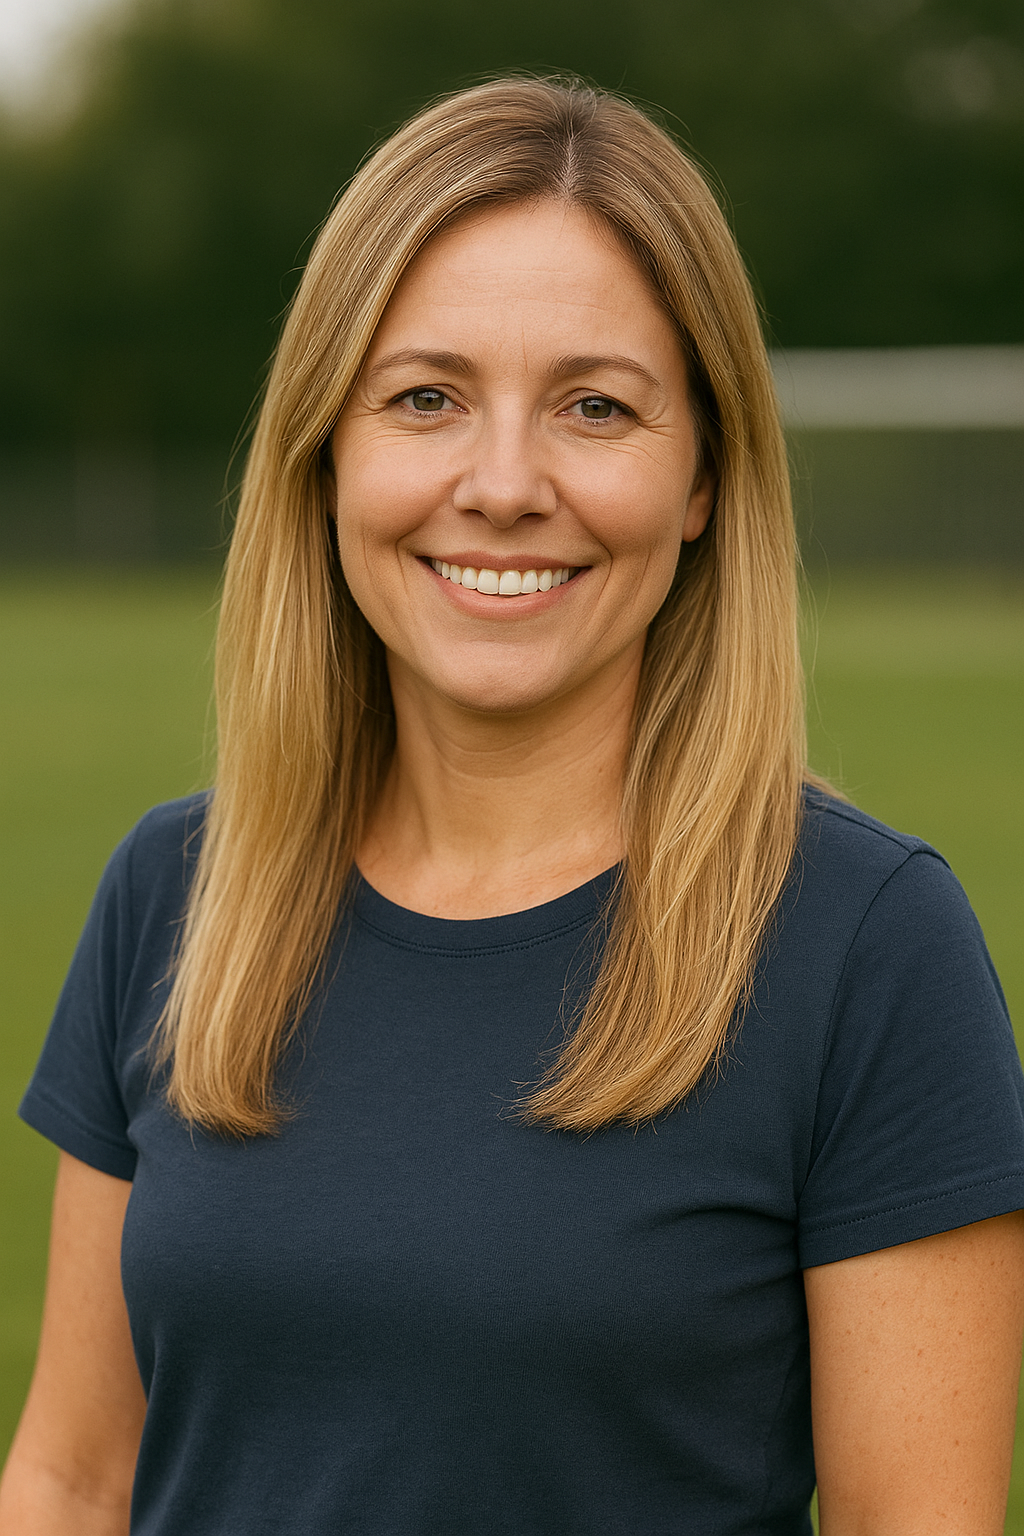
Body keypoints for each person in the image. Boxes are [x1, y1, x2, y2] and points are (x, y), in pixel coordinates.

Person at [2, 75, 1023, 1536]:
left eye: (594, 408)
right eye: (425, 398)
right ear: (328, 450)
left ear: (702, 480)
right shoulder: (175, 887)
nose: (501, 483)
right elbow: (74, 1476)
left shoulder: (865, 943)